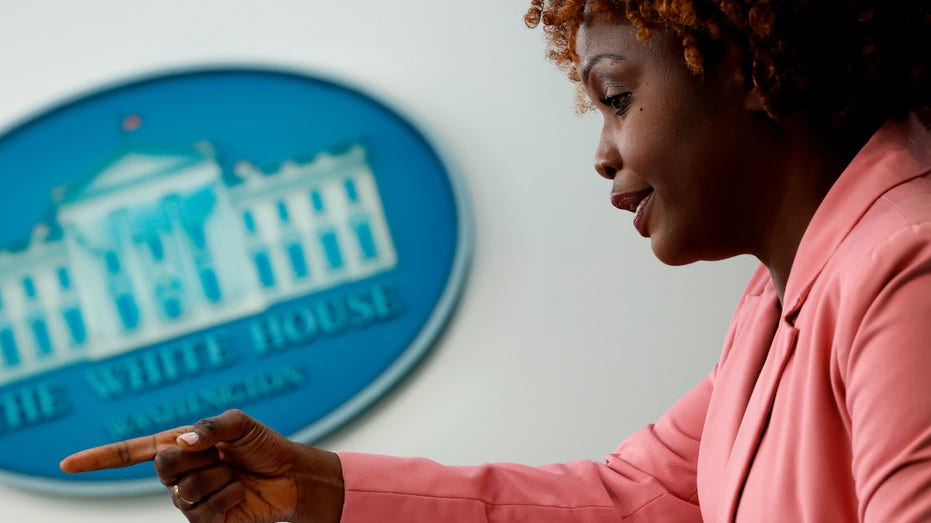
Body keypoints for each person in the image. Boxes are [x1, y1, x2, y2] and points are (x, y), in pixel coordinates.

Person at [60, 0, 931, 521]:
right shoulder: (778, 296)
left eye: (616, 97)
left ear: (745, 65)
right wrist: (313, 485)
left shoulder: (904, 266)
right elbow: (640, 498)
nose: (603, 152)